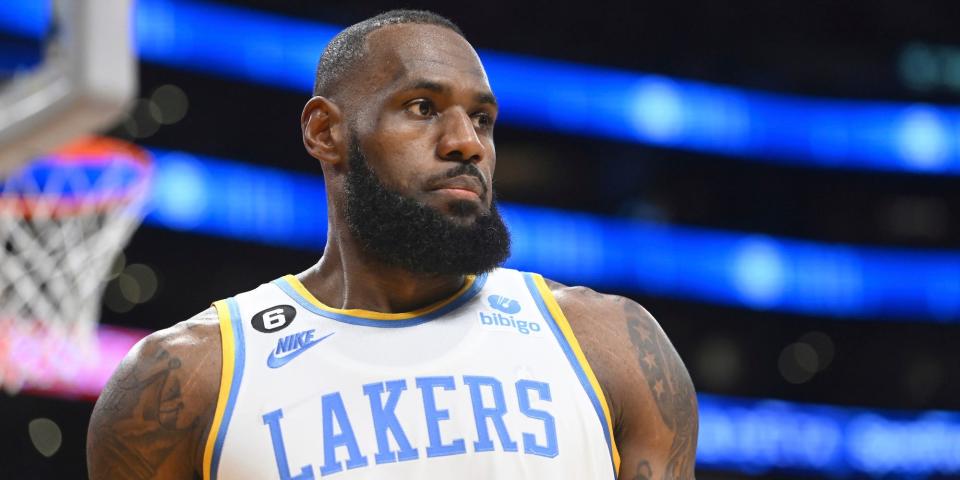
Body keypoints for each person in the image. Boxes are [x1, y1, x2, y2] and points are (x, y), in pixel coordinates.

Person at [87, 10, 698, 480]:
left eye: (482, 118)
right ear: (325, 131)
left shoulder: (612, 346)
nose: (466, 143)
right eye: (422, 107)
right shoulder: (189, 380)